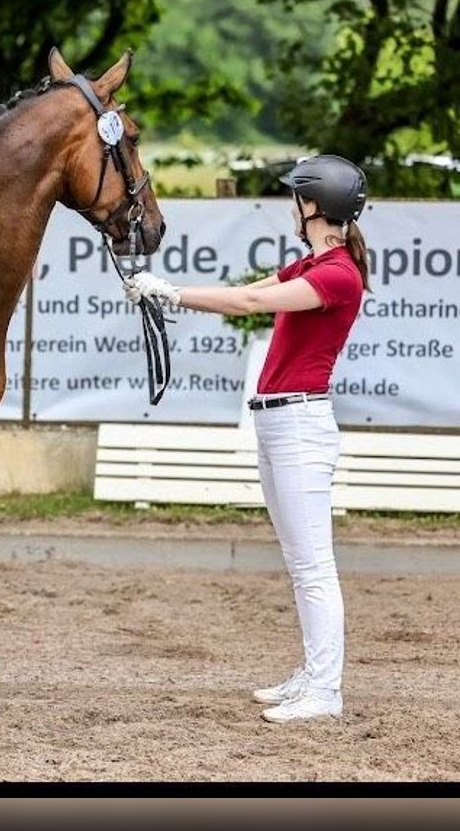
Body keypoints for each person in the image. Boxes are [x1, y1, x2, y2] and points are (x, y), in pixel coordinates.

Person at [124, 154, 369, 723]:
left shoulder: (335, 275)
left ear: (313, 206)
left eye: (298, 198)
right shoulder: (311, 265)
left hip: (300, 427)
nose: (294, 206)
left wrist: (172, 294)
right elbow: (251, 289)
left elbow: (252, 304)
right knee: (298, 561)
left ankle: (325, 690)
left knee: (314, 567)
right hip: (280, 423)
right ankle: (313, 673)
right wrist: (168, 291)